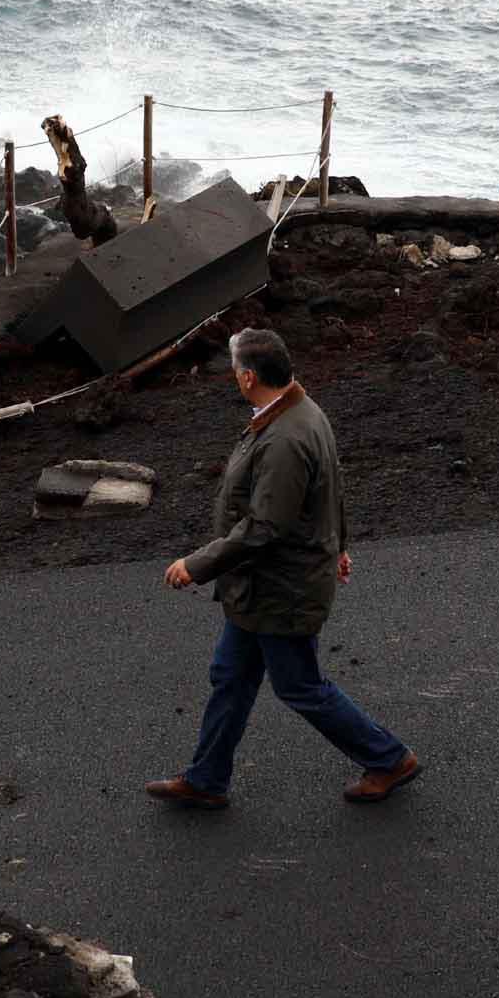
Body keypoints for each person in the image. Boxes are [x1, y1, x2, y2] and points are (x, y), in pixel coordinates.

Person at [146, 328, 418, 810]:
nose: (233, 378)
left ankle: (389, 758)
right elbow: (330, 489)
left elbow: (264, 527)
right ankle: (207, 778)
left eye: (234, 372)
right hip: (261, 587)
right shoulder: (297, 412)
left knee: (300, 687)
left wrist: (198, 564)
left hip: (280, 589)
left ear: (249, 377)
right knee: (230, 676)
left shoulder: (285, 438)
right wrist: (337, 546)